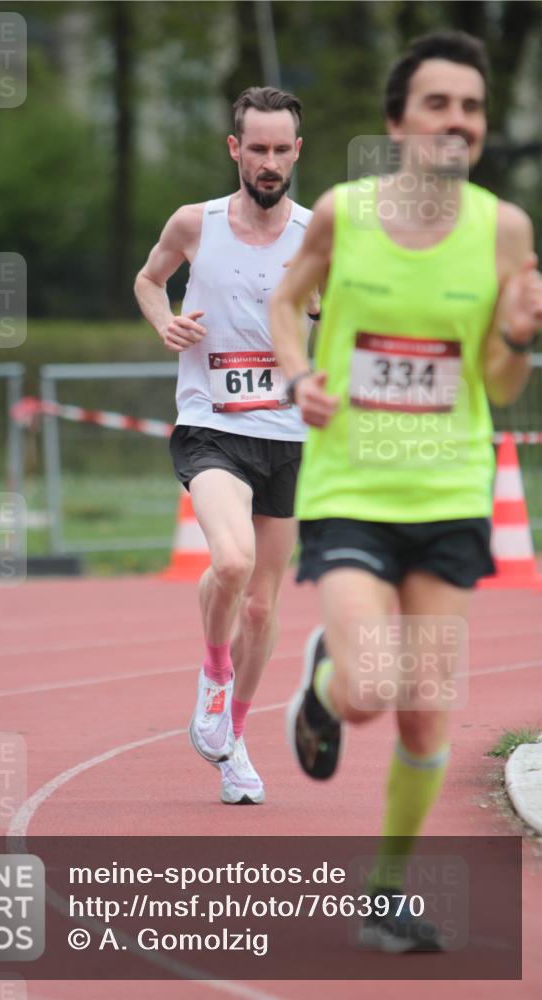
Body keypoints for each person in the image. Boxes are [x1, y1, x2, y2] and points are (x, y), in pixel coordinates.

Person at [270, 30, 542, 950]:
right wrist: (296, 374)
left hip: (450, 493)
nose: (455, 122)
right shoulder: (342, 214)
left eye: (470, 107)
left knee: (425, 709)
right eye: (437, 104)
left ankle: (383, 894)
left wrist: (516, 337)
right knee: (369, 690)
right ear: (397, 122)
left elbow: (500, 386)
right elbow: (285, 301)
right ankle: (322, 677)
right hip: (351, 487)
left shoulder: (503, 230)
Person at [134, 87, 316, 805]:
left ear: (296, 151)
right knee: (231, 560)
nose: (269, 163)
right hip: (212, 424)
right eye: (257, 149)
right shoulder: (193, 223)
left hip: (290, 435)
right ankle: (213, 674)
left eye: (281, 150)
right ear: (234, 149)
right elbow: (149, 281)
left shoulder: (316, 237)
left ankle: (233, 739)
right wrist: (163, 321)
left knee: (265, 609)